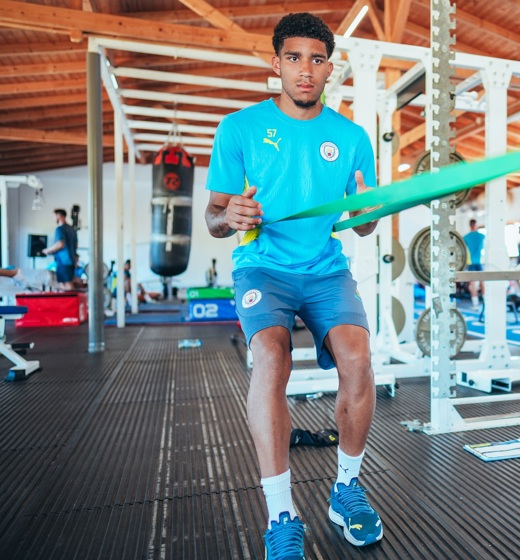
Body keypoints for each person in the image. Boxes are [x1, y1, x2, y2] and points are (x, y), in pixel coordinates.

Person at [204, 13, 382, 559]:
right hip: (262, 266)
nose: (306, 70)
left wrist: (368, 214)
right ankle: (282, 513)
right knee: (271, 360)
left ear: (330, 67)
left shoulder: (351, 137)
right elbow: (213, 220)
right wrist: (227, 213)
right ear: (276, 62)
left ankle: (346, 488)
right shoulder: (238, 128)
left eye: (317, 59)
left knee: (357, 359)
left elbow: (365, 220)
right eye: (295, 58)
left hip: (325, 267)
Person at [41, 208, 78, 291]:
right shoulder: (72, 229)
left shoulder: (60, 229)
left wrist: (47, 250)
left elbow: (60, 244)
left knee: (67, 285)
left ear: (58, 216)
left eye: (54, 216)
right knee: (66, 283)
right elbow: (76, 245)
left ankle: (70, 303)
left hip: (63, 261)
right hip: (71, 260)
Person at [463, 218, 485, 307]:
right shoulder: (482, 236)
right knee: (482, 282)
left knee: (473, 284)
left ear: (470, 225)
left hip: (471, 263)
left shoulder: (466, 237)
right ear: (475, 225)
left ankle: (475, 304)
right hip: (479, 262)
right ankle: (485, 302)